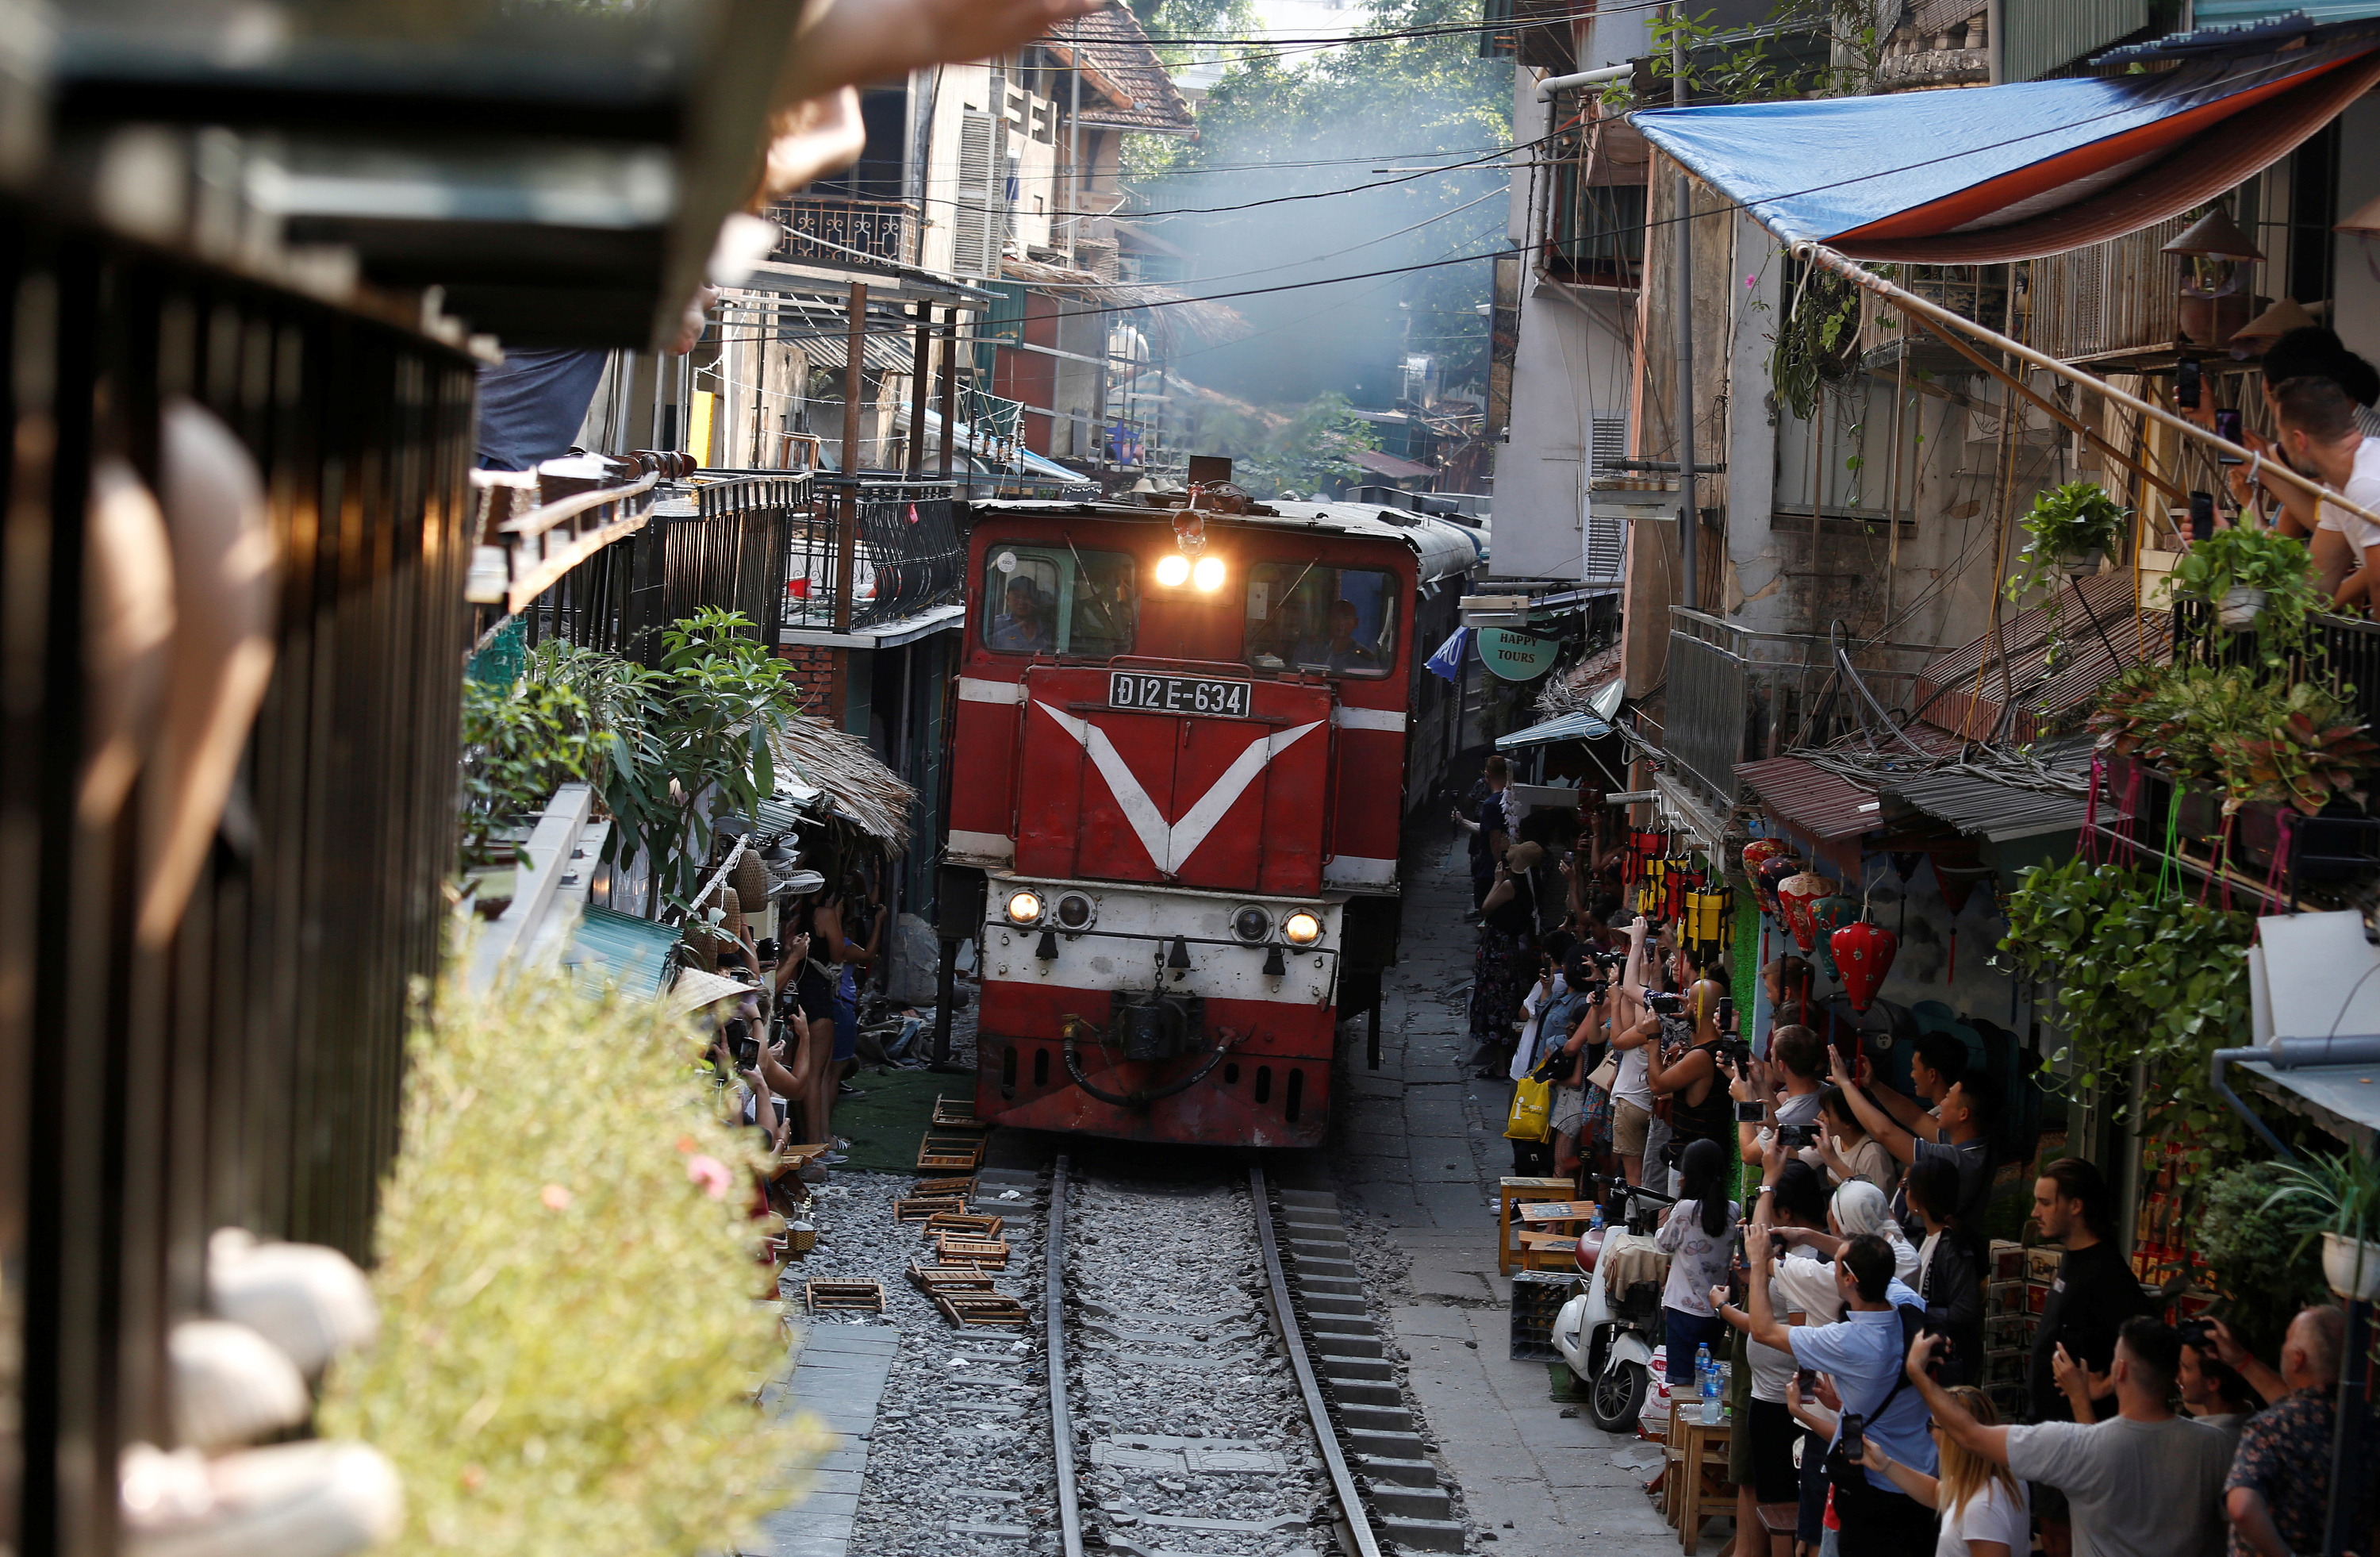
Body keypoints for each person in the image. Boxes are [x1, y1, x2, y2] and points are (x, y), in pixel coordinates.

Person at [1911, 1317, 2235, 1557]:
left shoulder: (2077, 1447)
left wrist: (1917, 1372)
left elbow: (1970, 1435)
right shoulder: (2216, 1444)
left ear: (2119, 1371)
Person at [1715, 1231, 1937, 1556]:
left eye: (1836, 1266)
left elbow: (1763, 1330)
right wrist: (1805, 1235)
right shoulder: (1908, 1305)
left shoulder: (1849, 1341)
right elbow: (1869, 1261)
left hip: (1874, 1486)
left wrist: (1761, 1265)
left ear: (1849, 1279)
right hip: (1923, 1478)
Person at [1726, 1160, 1837, 1557]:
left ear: (1786, 1214)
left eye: (1769, 1206)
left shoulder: (1802, 1267)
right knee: (1776, 1505)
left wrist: (1803, 1404)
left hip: (1783, 1403)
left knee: (1781, 1510)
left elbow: (1798, 1339)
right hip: (1779, 1399)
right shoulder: (1796, 1254)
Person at [2221, 1305, 2365, 1557]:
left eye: (2287, 1340)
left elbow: (2242, 1507)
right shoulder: (2368, 1425)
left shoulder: (2271, 1427)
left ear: (2298, 1358)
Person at [2027, 1159, 2149, 1426]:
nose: (2035, 1213)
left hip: (2077, 1439)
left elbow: (2151, 1343)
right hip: (2048, 1429)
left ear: (2076, 1206)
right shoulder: (2074, 1257)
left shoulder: (2106, 1272)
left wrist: (2105, 1386)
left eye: (2045, 1203)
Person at [1828, 1045, 1997, 1231]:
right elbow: (1915, 1117)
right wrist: (1874, 1085)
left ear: (1963, 1114)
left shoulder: (1958, 1161)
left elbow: (1884, 1132)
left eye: (1948, 1098)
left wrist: (1845, 1084)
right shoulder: (1964, 1141)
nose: (1942, 1103)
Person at [1856, 1383, 2029, 1557]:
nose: (1929, 1432)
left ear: (1953, 1436)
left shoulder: (1981, 1510)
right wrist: (1884, 1464)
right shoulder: (2007, 1476)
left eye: (1932, 1424)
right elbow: (1937, 1493)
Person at [2270, 375, 2380, 609]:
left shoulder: (2367, 482)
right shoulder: (2337, 489)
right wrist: (2239, 549)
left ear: (2300, 441)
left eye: (2282, 436)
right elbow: (2314, 589)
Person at [1656, 1137, 1739, 1400]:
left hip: (1683, 1310)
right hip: (1716, 1312)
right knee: (1703, 1384)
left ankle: (1679, 1439)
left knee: (1680, 1386)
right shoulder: (1733, 1210)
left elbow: (1663, 1243)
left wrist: (1679, 1198)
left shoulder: (1685, 1209)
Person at [1645, 978, 1735, 1193]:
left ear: (1696, 1007)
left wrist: (1653, 1037)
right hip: (1697, 1158)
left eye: (1688, 1002)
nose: (1683, 1005)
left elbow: (1657, 1085)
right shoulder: (1713, 1048)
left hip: (1692, 1165)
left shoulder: (1702, 1056)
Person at [1906, 1155, 1984, 1389]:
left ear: (1920, 1197)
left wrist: (1918, 1313)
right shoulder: (1924, 1238)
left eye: (1906, 1187)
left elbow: (1965, 1309)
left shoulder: (1952, 1247)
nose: (1904, 1193)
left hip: (1948, 1364)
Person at [1470, 841, 1543, 1074]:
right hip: (1510, 946)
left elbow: (1486, 908)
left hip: (1498, 948)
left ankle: (1501, 1064)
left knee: (1497, 1003)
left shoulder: (1510, 885)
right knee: (1504, 1001)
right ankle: (1502, 1062)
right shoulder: (1532, 883)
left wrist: (1496, 881)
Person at [1814, 1084, 1898, 1198]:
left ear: (1848, 1123)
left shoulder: (1873, 1156)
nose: (1820, 1116)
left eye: (1827, 1113)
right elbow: (1804, 1157)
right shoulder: (1834, 1138)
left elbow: (1876, 1205)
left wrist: (1832, 1160)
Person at [1453, 755, 1511, 912]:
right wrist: (1462, 822)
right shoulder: (1510, 799)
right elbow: (1488, 829)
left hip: (1491, 867)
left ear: (1487, 774)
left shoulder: (1491, 804)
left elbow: (1494, 841)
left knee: (1487, 909)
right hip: (1510, 862)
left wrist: (1501, 870)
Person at [1297, 598, 1380, 674]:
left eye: (1346, 618)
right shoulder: (1310, 647)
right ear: (1328, 620)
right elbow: (1296, 674)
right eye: (1336, 617)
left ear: (1355, 623)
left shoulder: (1365, 657)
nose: (1341, 623)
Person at [988, 575, 1053, 652]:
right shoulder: (996, 625)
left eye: (1026, 597)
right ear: (1008, 599)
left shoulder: (1047, 628)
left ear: (1034, 600)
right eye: (1016, 597)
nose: (1021, 602)